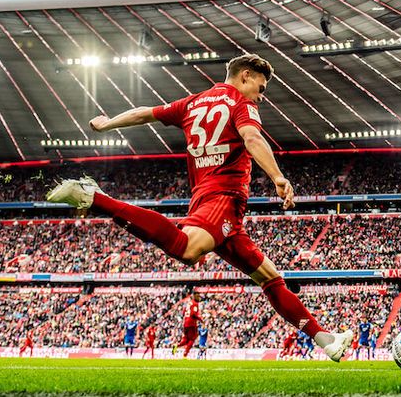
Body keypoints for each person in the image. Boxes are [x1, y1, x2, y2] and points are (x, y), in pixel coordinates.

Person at [46, 54, 352, 361]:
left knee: (270, 278)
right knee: (188, 250)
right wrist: (278, 176)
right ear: (245, 75)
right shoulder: (242, 105)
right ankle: (95, 198)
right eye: (260, 87)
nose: (261, 95)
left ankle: (326, 340)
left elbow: (144, 114)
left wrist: (107, 124)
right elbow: (251, 136)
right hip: (224, 199)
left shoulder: (192, 103)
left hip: (212, 202)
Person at [173, 293, 202, 358]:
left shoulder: (188, 304)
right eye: (198, 296)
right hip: (191, 323)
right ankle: (185, 355)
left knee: (186, 340)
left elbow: (183, 312)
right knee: (192, 338)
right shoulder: (195, 304)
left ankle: (176, 346)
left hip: (185, 323)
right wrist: (201, 320)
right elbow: (193, 314)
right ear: (195, 297)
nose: (199, 298)